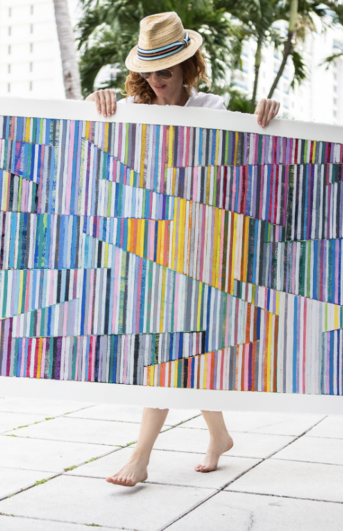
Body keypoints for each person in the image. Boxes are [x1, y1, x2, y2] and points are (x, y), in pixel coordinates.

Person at [85, 12, 281, 487]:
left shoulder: (214, 109)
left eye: (167, 72)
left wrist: (273, 112)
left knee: (171, 347)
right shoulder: (132, 108)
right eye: (150, 72)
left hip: (202, 244)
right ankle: (219, 436)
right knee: (178, 346)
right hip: (153, 242)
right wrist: (95, 101)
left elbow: (257, 155)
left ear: (189, 69)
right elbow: (98, 146)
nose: (157, 82)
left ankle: (141, 456)